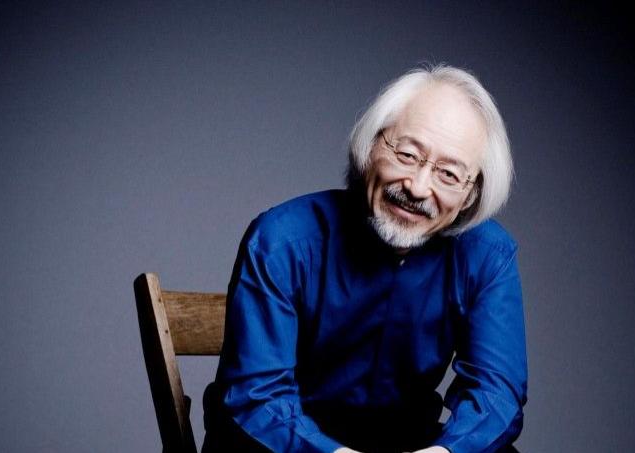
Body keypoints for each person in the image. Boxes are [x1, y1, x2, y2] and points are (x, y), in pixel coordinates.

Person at [202, 64, 527, 453]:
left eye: (449, 175)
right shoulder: (282, 240)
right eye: (407, 154)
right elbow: (257, 396)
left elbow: (497, 393)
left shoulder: (488, 255)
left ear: (470, 195)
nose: (418, 187)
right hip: (282, 440)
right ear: (371, 145)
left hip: (406, 442)